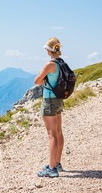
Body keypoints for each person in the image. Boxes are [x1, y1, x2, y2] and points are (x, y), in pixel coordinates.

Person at [34, 37, 65, 178]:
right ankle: (57, 163)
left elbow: (37, 81)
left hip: (49, 101)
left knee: (51, 135)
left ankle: (52, 169)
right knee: (58, 132)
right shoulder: (61, 62)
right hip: (58, 100)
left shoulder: (50, 64)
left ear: (48, 49)